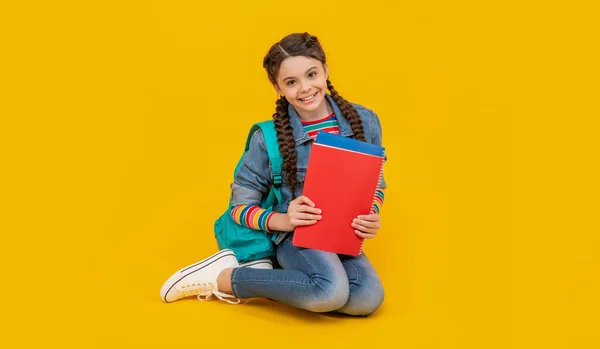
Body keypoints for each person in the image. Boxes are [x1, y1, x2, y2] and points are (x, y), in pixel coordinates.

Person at [159, 32, 387, 315]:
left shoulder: (364, 121)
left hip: (341, 237)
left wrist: (371, 214)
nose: (305, 88)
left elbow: (376, 184)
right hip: (293, 237)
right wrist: (284, 220)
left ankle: (285, 278)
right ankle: (224, 277)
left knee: (368, 299)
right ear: (278, 87)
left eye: (312, 74)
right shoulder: (267, 138)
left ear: (326, 70)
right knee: (330, 291)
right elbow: (239, 207)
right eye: (291, 82)